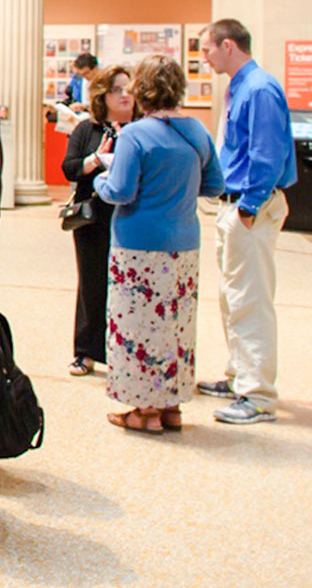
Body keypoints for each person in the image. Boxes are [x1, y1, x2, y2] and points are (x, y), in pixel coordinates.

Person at [90, 54, 222, 434]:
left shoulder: (135, 134)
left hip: (138, 244)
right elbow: (214, 184)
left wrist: (101, 178)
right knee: (177, 325)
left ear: (142, 90)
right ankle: (170, 406)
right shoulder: (196, 130)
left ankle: (143, 410)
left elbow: (120, 191)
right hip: (185, 241)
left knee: (138, 327)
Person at [197, 18, 297, 424]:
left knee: (250, 301)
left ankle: (257, 395)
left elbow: (268, 153)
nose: (203, 58)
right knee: (232, 297)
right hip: (235, 204)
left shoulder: (259, 88)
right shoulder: (240, 86)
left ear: (228, 46)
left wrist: (250, 206)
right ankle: (239, 375)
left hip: (250, 206)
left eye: (207, 50)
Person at [60, 65, 136, 377]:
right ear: (103, 96)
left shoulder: (140, 129)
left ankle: (124, 352)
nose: (125, 95)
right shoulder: (86, 130)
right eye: (117, 90)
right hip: (92, 218)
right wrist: (95, 160)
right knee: (91, 283)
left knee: (128, 287)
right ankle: (85, 352)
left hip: (130, 217)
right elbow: (69, 168)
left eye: (128, 89)